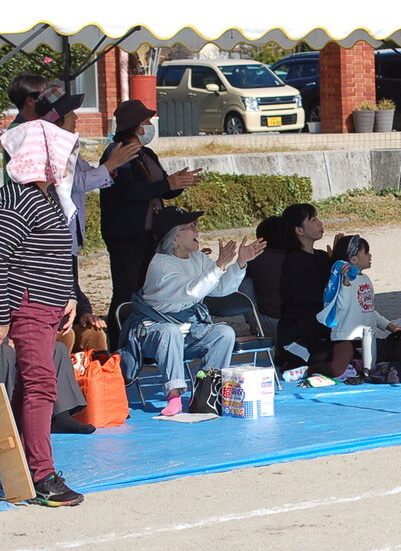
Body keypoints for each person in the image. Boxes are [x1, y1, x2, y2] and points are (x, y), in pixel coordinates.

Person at [0, 119, 83, 506]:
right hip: (28, 307)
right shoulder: (21, 198)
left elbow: (54, 252)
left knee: (34, 386)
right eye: (62, 154)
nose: (68, 161)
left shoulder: (44, 196)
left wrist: (69, 295)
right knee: (40, 385)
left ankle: (31, 470)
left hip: (46, 306)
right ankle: (42, 476)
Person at [118, 207, 265, 416]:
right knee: (169, 331)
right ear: (175, 238)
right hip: (153, 333)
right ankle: (174, 396)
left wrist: (240, 262)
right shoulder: (161, 264)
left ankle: (207, 394)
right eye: (190, 226)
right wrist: (219, 265)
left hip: (188, 331)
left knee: (224, 333)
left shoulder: (197, 258)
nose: (197, 230)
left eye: (195, 225)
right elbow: (191, 292)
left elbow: (220, 288)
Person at [34, 84, 137, 353]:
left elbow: (84, 175)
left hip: (67, 233)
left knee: (72, 287)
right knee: (63, 288)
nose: (76, 118)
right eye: (70, 114)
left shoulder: (66, 146)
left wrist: (108, 170)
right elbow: (75, 182)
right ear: (57, 120)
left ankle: (78, 318)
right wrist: (110, 165)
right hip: (56, 236)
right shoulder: (53, 148)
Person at [100, 99, 203, 349]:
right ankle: (119, 345)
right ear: (136, 126)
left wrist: (178, 183)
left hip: (152, 233)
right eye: (146, 121)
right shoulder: (118, 153)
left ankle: (144, 340)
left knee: (149, 287)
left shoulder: (147, 154)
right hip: (127, 235)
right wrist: (167, 184)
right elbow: (128, 190)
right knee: (126, 289)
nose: (149, 126)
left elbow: (160, 189)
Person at [313, 234, 401, 379]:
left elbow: (368, 309)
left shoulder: (365, 279)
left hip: (367, 336)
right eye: (366, 252)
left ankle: (357, 364)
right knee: (336, 370)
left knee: (373, 368)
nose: (370, 255)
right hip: (347, 336)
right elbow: (341, 306)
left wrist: (389, 326)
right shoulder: (342, 280)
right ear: (354, 259)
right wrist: (346, 284)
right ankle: (307, 370)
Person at [276, 203, 341, 378]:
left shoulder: (322, 256)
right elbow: (318, 293)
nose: (319, 223)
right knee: (326, 359)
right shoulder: (293, 262)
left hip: (321, 332)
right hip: (297, 335)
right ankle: (287, 361)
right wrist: (335, 268)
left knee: (348, 352)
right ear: (299, 230)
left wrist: (338, 261)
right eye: (312, 220)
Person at [240, 216, 285, 339]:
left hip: (270, 324)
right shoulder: (301, 255)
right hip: (306, 322)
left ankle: (255, 327)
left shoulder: (255, 259)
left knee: (244, 282)